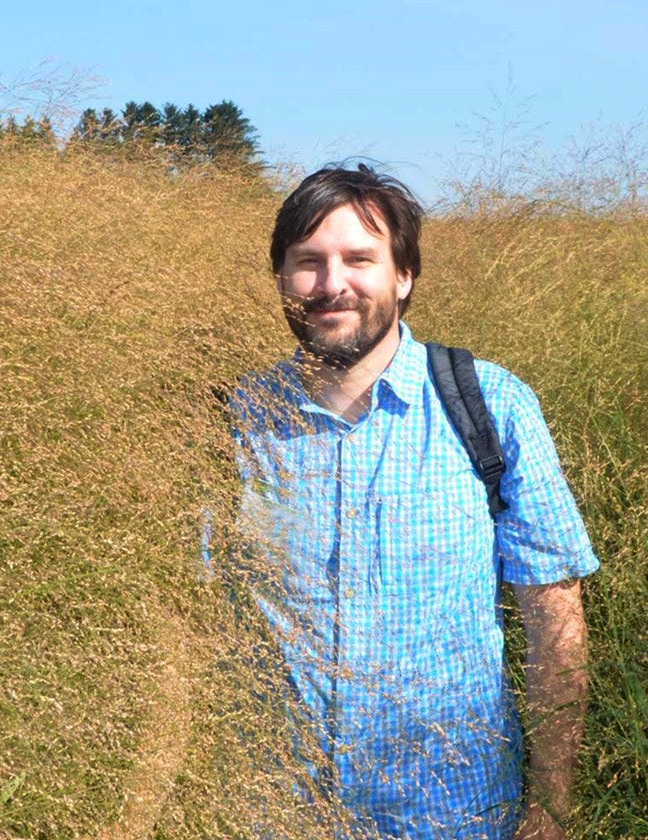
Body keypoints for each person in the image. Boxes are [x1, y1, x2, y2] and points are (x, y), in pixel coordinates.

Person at [226, 163, 599, 839]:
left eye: (359, 259)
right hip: (272, 815)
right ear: (281, 279)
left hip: (452, 814)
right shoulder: (233, 424)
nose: (331, 284)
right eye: (307, 262)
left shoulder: (493, 406)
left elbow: (555, 621)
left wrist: (550, 809)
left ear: (403, 276)